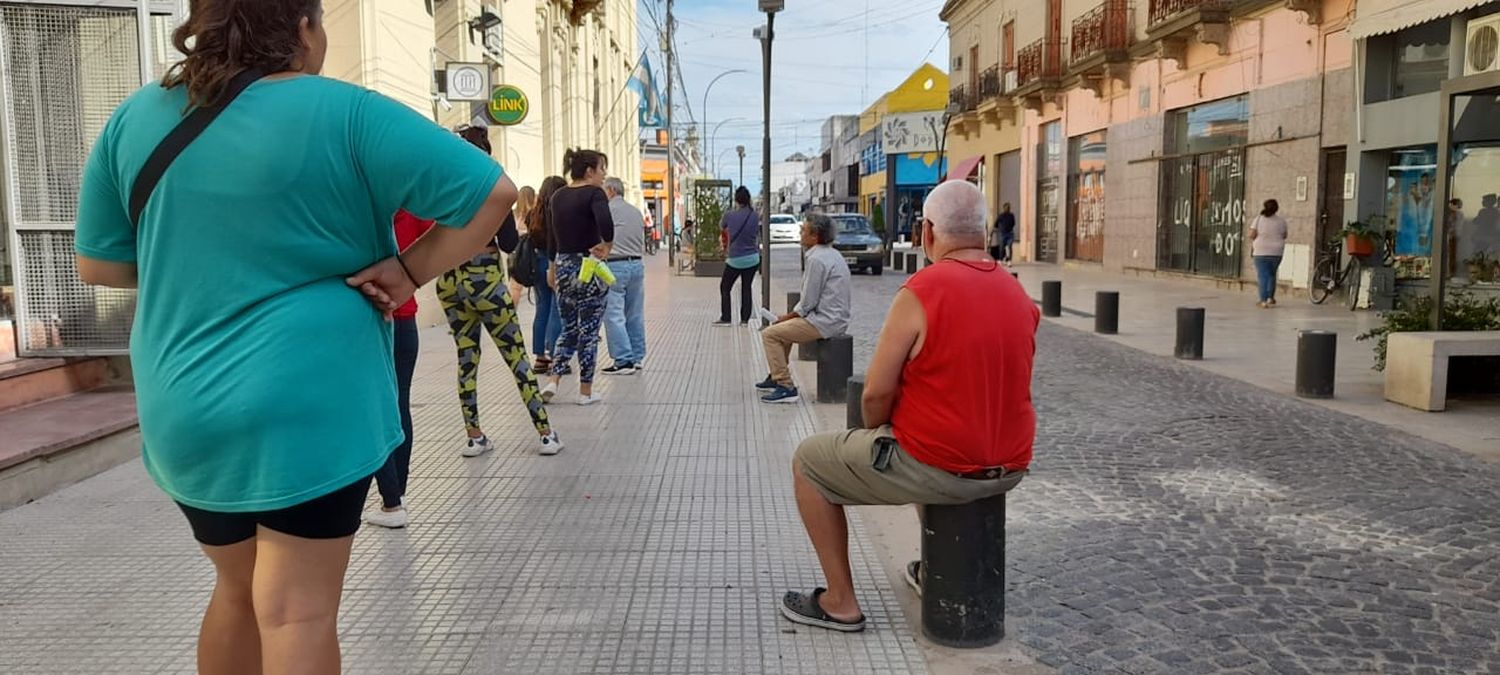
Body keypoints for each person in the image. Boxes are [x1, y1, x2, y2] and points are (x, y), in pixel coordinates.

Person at [73, 0, 517, 670]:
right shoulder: (348, 112)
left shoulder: (135, 117)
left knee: (236, 589)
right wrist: (407, 270)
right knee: (296, 609)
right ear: (305, 28)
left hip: (185, 397)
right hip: (311, 397)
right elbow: (494, 194)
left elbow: (100, 262)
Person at [777, 181, 1036, 633]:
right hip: (1008, 466)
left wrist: (875, 427)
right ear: (984, 230)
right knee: (926, 437)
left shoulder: (922, 290)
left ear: (928, 232)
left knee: (808, 463)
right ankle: (936, 568)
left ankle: (839, 601)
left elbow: (876, 394)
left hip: (942, 466)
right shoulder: (1017, 294)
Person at [436, 126, 563, 460]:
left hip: (450, 281)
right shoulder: (492, 188)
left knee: (466, 359)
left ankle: (474, 436)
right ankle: (545, 434)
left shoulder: (441, 188)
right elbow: (508, 243)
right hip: (485, 281)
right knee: (516, 358)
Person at [363, 210, 431, 529]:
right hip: (406, 319)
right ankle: (396, 496)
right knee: (399, 402)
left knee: (374, 408)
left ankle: (391, 503)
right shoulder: (410, 208)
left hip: (371, 320)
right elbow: (443, 232)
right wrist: (411, 275)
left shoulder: (360, 209)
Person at [543, 149, 614, 406]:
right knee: (589, 330)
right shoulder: (595, 194)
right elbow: (605, 223)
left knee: (568, 328)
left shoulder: (559, 195)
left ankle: (553, 380)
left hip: (562, 265)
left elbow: (552, 235)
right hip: (588, 265)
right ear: (589, 171)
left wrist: (551, 267)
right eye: (602, 168)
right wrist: (608, 245)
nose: (604, 174)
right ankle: (585, 391)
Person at [757, 213, 851, 404]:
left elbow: (808, 302)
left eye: (803, 230)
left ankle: (785, 385)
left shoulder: (816, 259)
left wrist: (787, 317)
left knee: (770, 334)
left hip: (825, 321)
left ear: (815, 236)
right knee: (783, 331)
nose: (800, 233)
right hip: (832, 317)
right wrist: (791, 317)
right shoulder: (832, 254)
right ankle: (776, 374)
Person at [601, 177, 648, 374]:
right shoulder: (636, 212)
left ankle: (623, 360)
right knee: (634, 313)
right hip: (636, 265)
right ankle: (637, 356)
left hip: (615, 265)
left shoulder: (607, 211)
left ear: (611, 190)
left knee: (613, 314)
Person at [527, 176, 567, 372]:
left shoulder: (533, 215)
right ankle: (554, 354)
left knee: (541, 309)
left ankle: (540, 356)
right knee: (557, 310)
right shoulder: (558, 213)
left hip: (537, 263)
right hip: (554, 262)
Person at [717, 186, 762, 326]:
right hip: (753, 258)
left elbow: (721, 226)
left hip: (735, 259)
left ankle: (726, 318)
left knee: (725, 287)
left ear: (736, 199)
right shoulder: (755, 215)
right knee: (746, 288)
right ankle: (744, 320)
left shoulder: (729, 215)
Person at [1248, 199, 1288, 308]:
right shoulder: (1281, 221)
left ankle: (1263, 300)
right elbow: (1284, 235)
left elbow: (1251, 235)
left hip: (1261, 251)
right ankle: (1270, 298)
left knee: (1262, 276)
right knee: (1272, 274)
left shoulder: (1259, 219)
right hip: (1277, 252)